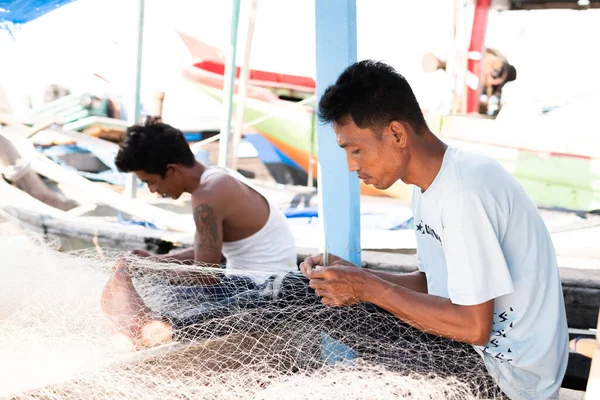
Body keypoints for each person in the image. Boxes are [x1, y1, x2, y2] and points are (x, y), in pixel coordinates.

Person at [299, 60, 567, 399]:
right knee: (307, 292)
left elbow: (474, 326)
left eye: (356, 150)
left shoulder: (463, 190)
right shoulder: (428, 186)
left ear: (396, 134)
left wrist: (368, 288)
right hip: (472, 350)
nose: (352, 165)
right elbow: (432, 283)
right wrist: (353, 275)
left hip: (507, 376)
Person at [101, 116, 297, 346]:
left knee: (151, 325)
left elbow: (206, 274)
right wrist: (156, 260)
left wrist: (153, 270)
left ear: (172, 170)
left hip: (261, 290)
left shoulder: (208, 194)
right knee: (151, 291)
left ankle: (136, 335)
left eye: (151, 181)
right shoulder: (217, 177)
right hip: (253, 281)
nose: (153, 190)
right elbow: (215, 251)